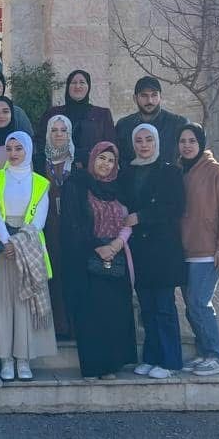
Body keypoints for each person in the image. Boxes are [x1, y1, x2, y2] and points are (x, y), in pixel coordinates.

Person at [0, 132, 58, 380]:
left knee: (26, 305)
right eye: (10, 148)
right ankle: (5, 359)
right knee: (2, 305)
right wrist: (7, 242)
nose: (13, 153)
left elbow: (39, 220)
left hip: (29, 248)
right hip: (3, 250)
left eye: (18, 149)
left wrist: (19, 242)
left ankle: (23, 360)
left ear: (27, 150)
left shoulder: (40, 182)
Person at [59, 142, 137, 380]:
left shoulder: (119, 188)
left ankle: (111, 366)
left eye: (111, 160)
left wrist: (114, 245)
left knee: (112, 314)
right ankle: (93, 367)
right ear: (92, 159)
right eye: (101, 158)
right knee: (90, 314)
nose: (106, 164)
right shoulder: (77, 185)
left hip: (116, 257)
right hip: (86, 256)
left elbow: (129, 222)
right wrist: (97, 247)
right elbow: (72, 223)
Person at [119, 123, 186, 379]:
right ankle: (151, 357)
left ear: (156, 142)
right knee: (146, 307)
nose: (144, 145)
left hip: (162, 249)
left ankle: (170, 361)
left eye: (148, 139)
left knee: (164, 307)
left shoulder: (170, 172)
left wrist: (142, 217)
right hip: (138, 249)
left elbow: (175, 208)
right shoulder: (127, 172)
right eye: (139, 140)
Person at [178, 122, 219, 377]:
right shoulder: (180, 170)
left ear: (201, 143)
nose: (187, 145)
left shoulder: (216, 171)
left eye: (192, 141)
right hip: (185, 252)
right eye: (183, 141)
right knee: (191, 306)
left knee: (199, 303)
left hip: (208, 251)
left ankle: (216, 355)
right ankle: (204, 353)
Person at [35, 69, 115, 172]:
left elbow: (110, 145)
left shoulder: (102, 114)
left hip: (93, 174)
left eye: (82, 82)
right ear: (68, 86)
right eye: (73, 83)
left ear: (88, 86)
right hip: (60, 172)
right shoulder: (53, 114)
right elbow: (41, 142)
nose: (78, 86)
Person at [39, 114, 75, 336]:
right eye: (54, 130)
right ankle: (55, 326)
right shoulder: (38, 162)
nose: (59, 134)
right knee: (51, 273)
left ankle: (71, 325)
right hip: (47, 225)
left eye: (63, 130)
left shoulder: (78, 162)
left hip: (72, 227)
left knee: (70, 273)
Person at [115, 76, 188, 166]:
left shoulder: (178, 124)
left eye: (154, 95)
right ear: (135, 98)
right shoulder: (124, 126)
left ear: (160, 97)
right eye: (144, 95)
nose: (149, 100)